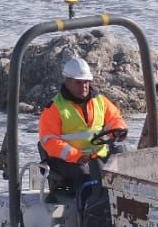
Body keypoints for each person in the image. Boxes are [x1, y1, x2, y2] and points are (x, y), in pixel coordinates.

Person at [37, 56, 127, 194]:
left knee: (125, 160)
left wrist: (119, 129)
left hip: (97, 156)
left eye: (86, 82)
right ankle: (87, 210)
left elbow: (114, 118)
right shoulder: (54, 108)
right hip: (67, 161)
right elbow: (49, 141)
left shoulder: (100, 101)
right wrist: (77, 156)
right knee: (86, 176)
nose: (84, 86)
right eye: (79, 82)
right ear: (68, 83)